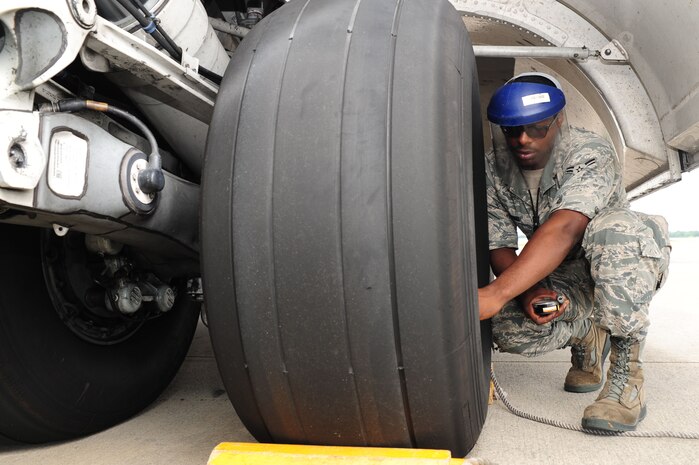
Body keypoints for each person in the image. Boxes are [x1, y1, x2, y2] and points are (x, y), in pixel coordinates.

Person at [477, 72, 671, 432]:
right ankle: (587, 335)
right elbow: (498, 244)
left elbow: (566, 226)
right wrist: (530, 292)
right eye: (511, 130)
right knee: (507, 327)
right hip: (561, 277)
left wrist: (499, 291)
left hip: (618, 268)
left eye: (536, 128)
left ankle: (626, 383)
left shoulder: (588, 153)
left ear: (559, 120)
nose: (522, 139)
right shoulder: (494, 169)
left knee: (617, 230)